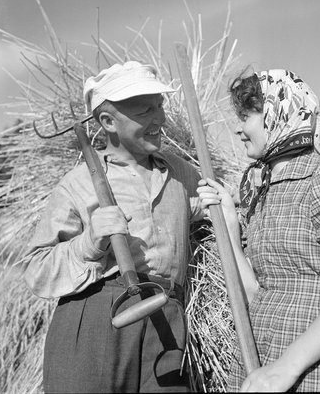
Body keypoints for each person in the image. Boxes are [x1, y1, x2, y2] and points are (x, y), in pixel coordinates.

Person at [22, 61, 205, 393]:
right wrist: (90, 241)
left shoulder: (184, 174)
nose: (160, 118)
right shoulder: (77, 185)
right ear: (107, 122)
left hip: (168, 319)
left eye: (160, 106)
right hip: (98, 318)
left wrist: (206, 206)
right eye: (144, 110)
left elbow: (204, 215)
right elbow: (37, 270)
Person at [197, 68, 320, 392]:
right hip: (258, 366)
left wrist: (286, 368)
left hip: (319, 372)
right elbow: (254, 294)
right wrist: (229, 228)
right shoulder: (260, 193)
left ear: (278, 114)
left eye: (246, 116)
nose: (237, 129)